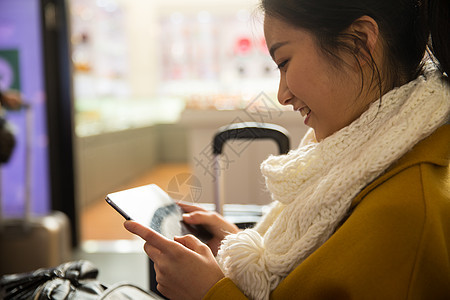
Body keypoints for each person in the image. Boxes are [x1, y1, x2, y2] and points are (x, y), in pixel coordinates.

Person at [124, 0, 450, 299]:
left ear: (359, 43)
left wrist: (209, 292)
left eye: (284, 61)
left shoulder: (404, 216)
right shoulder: (367, 157)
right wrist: (239, 244)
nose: (282, 95)